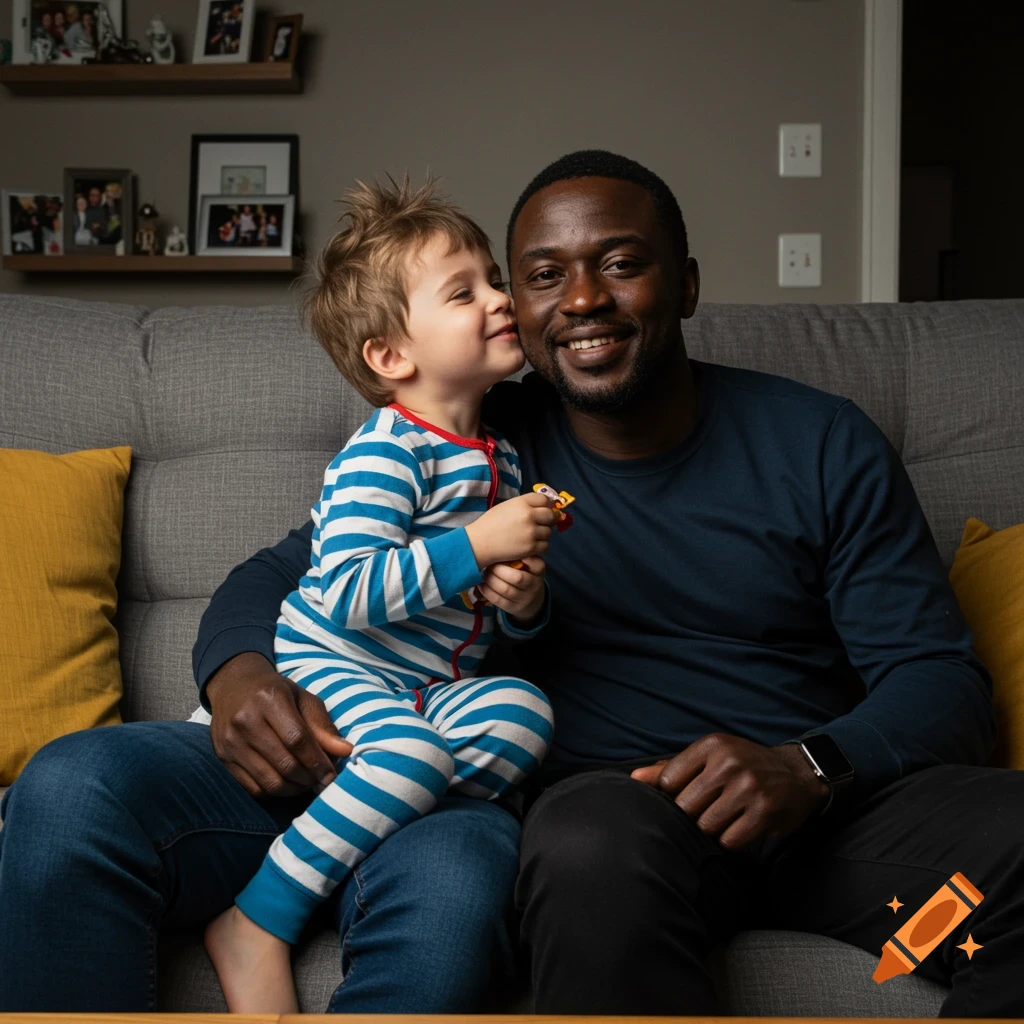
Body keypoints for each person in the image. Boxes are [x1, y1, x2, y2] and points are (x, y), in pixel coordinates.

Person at [3, 150, 1023, 1018]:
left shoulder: (821, 441)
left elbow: (938, 679)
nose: (581, 299)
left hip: (825, 809)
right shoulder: (486, 438)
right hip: (625, 818)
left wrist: (807, 766)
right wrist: (235, 672)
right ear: (517, 311)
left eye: (620, 264)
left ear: (689, 284)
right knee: (583, 845)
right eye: (541, 275)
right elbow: (287, 570)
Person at [200, 177, 556, 1012]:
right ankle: (255, 920)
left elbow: (481, 605)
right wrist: (475, 546)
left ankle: (378, 794)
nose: (501, 299)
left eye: (494, 280)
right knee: (409, 756)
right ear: (392, 357)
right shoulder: (385, 453)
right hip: (333, 658)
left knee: (524, 715)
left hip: (426, 685)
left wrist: (521, 596)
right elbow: (352, 590)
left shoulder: (500, 456)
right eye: (464, 292)